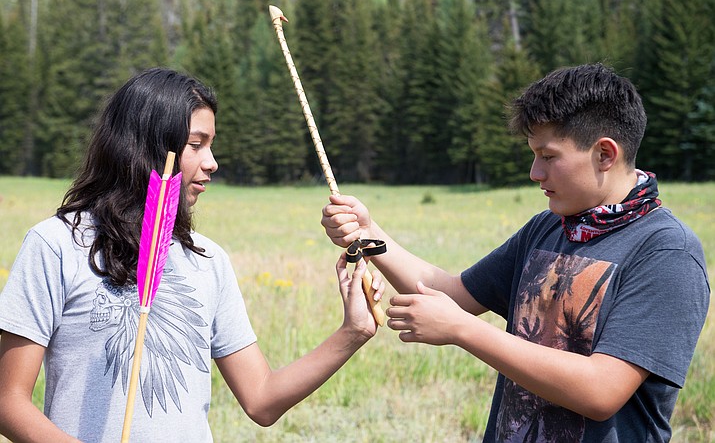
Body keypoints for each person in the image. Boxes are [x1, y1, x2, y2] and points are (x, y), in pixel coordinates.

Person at [321, 63, 710, 442]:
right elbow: (453, 293)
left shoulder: (666, 253)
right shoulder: (547, 228)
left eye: (549, 156)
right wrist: (370, 233)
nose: (534, 173)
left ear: (605, 155)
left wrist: (462, 330)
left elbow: (601, 390)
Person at [0, 67, 384, 443]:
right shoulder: (55, 246)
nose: (212, 162)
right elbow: (7, 401)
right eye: (196, 144)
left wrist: (352, 332)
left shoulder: (208, 261)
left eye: (211, 145)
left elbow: (262, 399)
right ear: (145, 148)